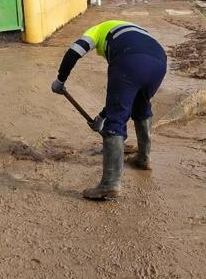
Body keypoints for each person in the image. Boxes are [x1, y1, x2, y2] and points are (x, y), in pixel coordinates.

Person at [51, 20, 167, 200]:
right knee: (141, 106)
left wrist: (60, 80)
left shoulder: (95, 31)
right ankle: (143, 159)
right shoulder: (130, 29)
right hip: (159, 62)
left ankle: (110, 184)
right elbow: (122, 99)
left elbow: (74, 51)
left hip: (129, 60)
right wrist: (101, 116)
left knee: (116, 121)